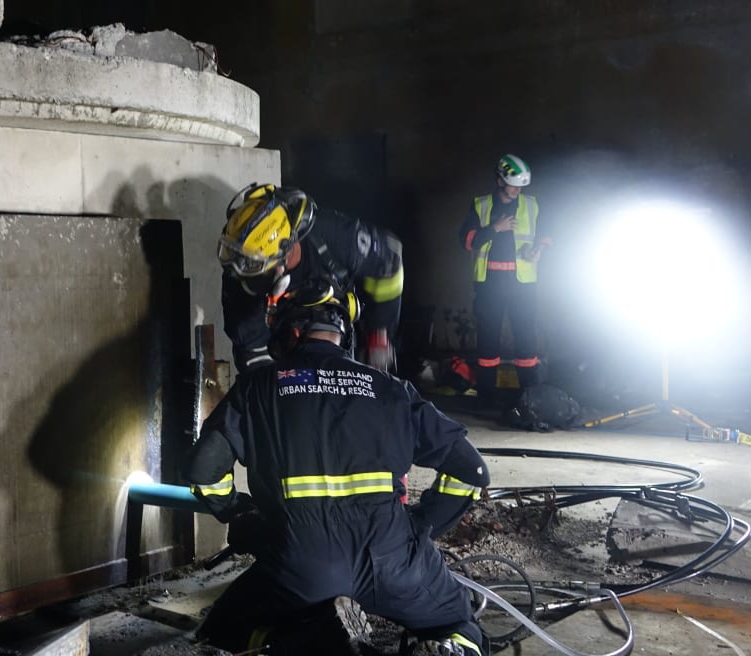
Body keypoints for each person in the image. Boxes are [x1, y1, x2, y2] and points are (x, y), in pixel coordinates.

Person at [183, 279, 491, 656]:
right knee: (457, 621)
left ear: (291, 331)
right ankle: (454, 648)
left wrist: (240, 514)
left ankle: (298, 646)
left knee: (224, 628)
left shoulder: (258, 386)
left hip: (301, 566)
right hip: (394, 562)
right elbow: (471, 470)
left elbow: (202, 469)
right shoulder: (392, 388)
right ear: (344, 337)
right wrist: (420, 525)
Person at [217, 182, 404, 373]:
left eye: (260, 268)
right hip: (280, 346)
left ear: (286, 250)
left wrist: (379, 333)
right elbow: (253, 354)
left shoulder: (336, 237)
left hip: (337, 334)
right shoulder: (240, 272)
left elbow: (388, 263)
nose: (248, 278)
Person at [458, 154, 551, 408]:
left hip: (523, 286)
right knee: (488, 343)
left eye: (521, 185)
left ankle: (531, 399)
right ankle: (487, 399)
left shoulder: (532, 205)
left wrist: (538, 251)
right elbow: (467, 241)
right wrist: (493, 229)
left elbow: (545, 234)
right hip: (490, 286)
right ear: (499, 180)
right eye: (512, 184)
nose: (517, 190)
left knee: (527, 342)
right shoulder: (481, 205)